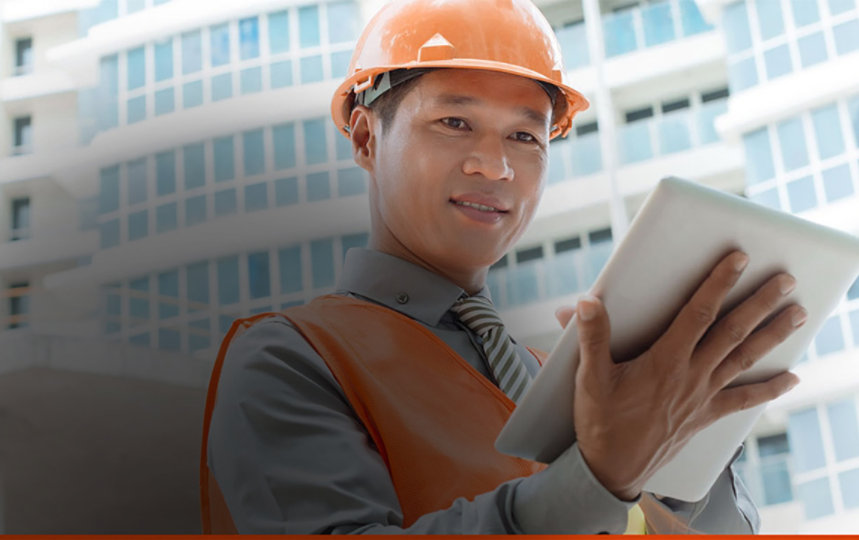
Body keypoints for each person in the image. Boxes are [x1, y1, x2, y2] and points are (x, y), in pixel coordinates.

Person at [201, 0, 806, 533]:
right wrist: (593, 479)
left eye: (525, 137)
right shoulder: (291, 357)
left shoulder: (565, 381)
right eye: (455, 123)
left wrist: (684, 435)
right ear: (365, 139)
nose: (495, 167)